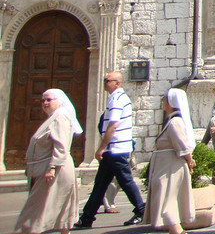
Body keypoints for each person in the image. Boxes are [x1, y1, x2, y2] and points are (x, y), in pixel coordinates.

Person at [74, 71, 144, 229]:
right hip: (114, 149)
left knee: (124, 181)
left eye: (108, 80)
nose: (105, 82)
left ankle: (141, 210)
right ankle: (87, 217)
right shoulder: (116, 98)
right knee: (101, 184)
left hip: (115, 149)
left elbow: (113, 125)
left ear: (117, 83)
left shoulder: (117, 99)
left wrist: (101, 147)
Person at [14, 88, 82, 234]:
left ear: (59, 101)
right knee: (56, 211)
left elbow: (61, 145)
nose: (45, 103)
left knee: (33, 213)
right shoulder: (54, 116)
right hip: (48, 169)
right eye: (43, 100)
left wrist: (52, 167)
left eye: (48, 100)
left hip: (54, 171)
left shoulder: (60, 117)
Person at [144, 89, 196, 234]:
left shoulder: (175, 122)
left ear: (170, 103)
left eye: (164, 100)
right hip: (166, 165)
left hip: (170, 167)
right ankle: (176, 230)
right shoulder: (173, 121)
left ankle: (176, 230)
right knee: (167, 197)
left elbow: (182, 145)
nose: (162, 103)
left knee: (167, 197)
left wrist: (190, 160)